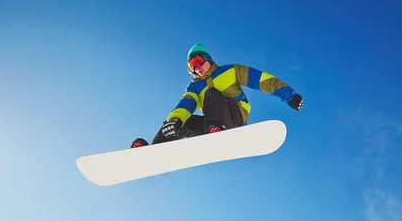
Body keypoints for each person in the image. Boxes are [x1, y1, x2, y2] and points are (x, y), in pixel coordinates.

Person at [130, 44, 303, 148]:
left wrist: (289, 96)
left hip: (234, 117)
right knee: (180, 121)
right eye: (192, 66)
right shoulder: (195, 86)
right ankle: (153, 149)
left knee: (212, 94)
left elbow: (262, 80)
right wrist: (173, 121)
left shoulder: (229, 71)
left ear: (207, 59)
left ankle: (216, 129)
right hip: (212, 126)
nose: (196, 69)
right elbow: (185, 106)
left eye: (197, 62)